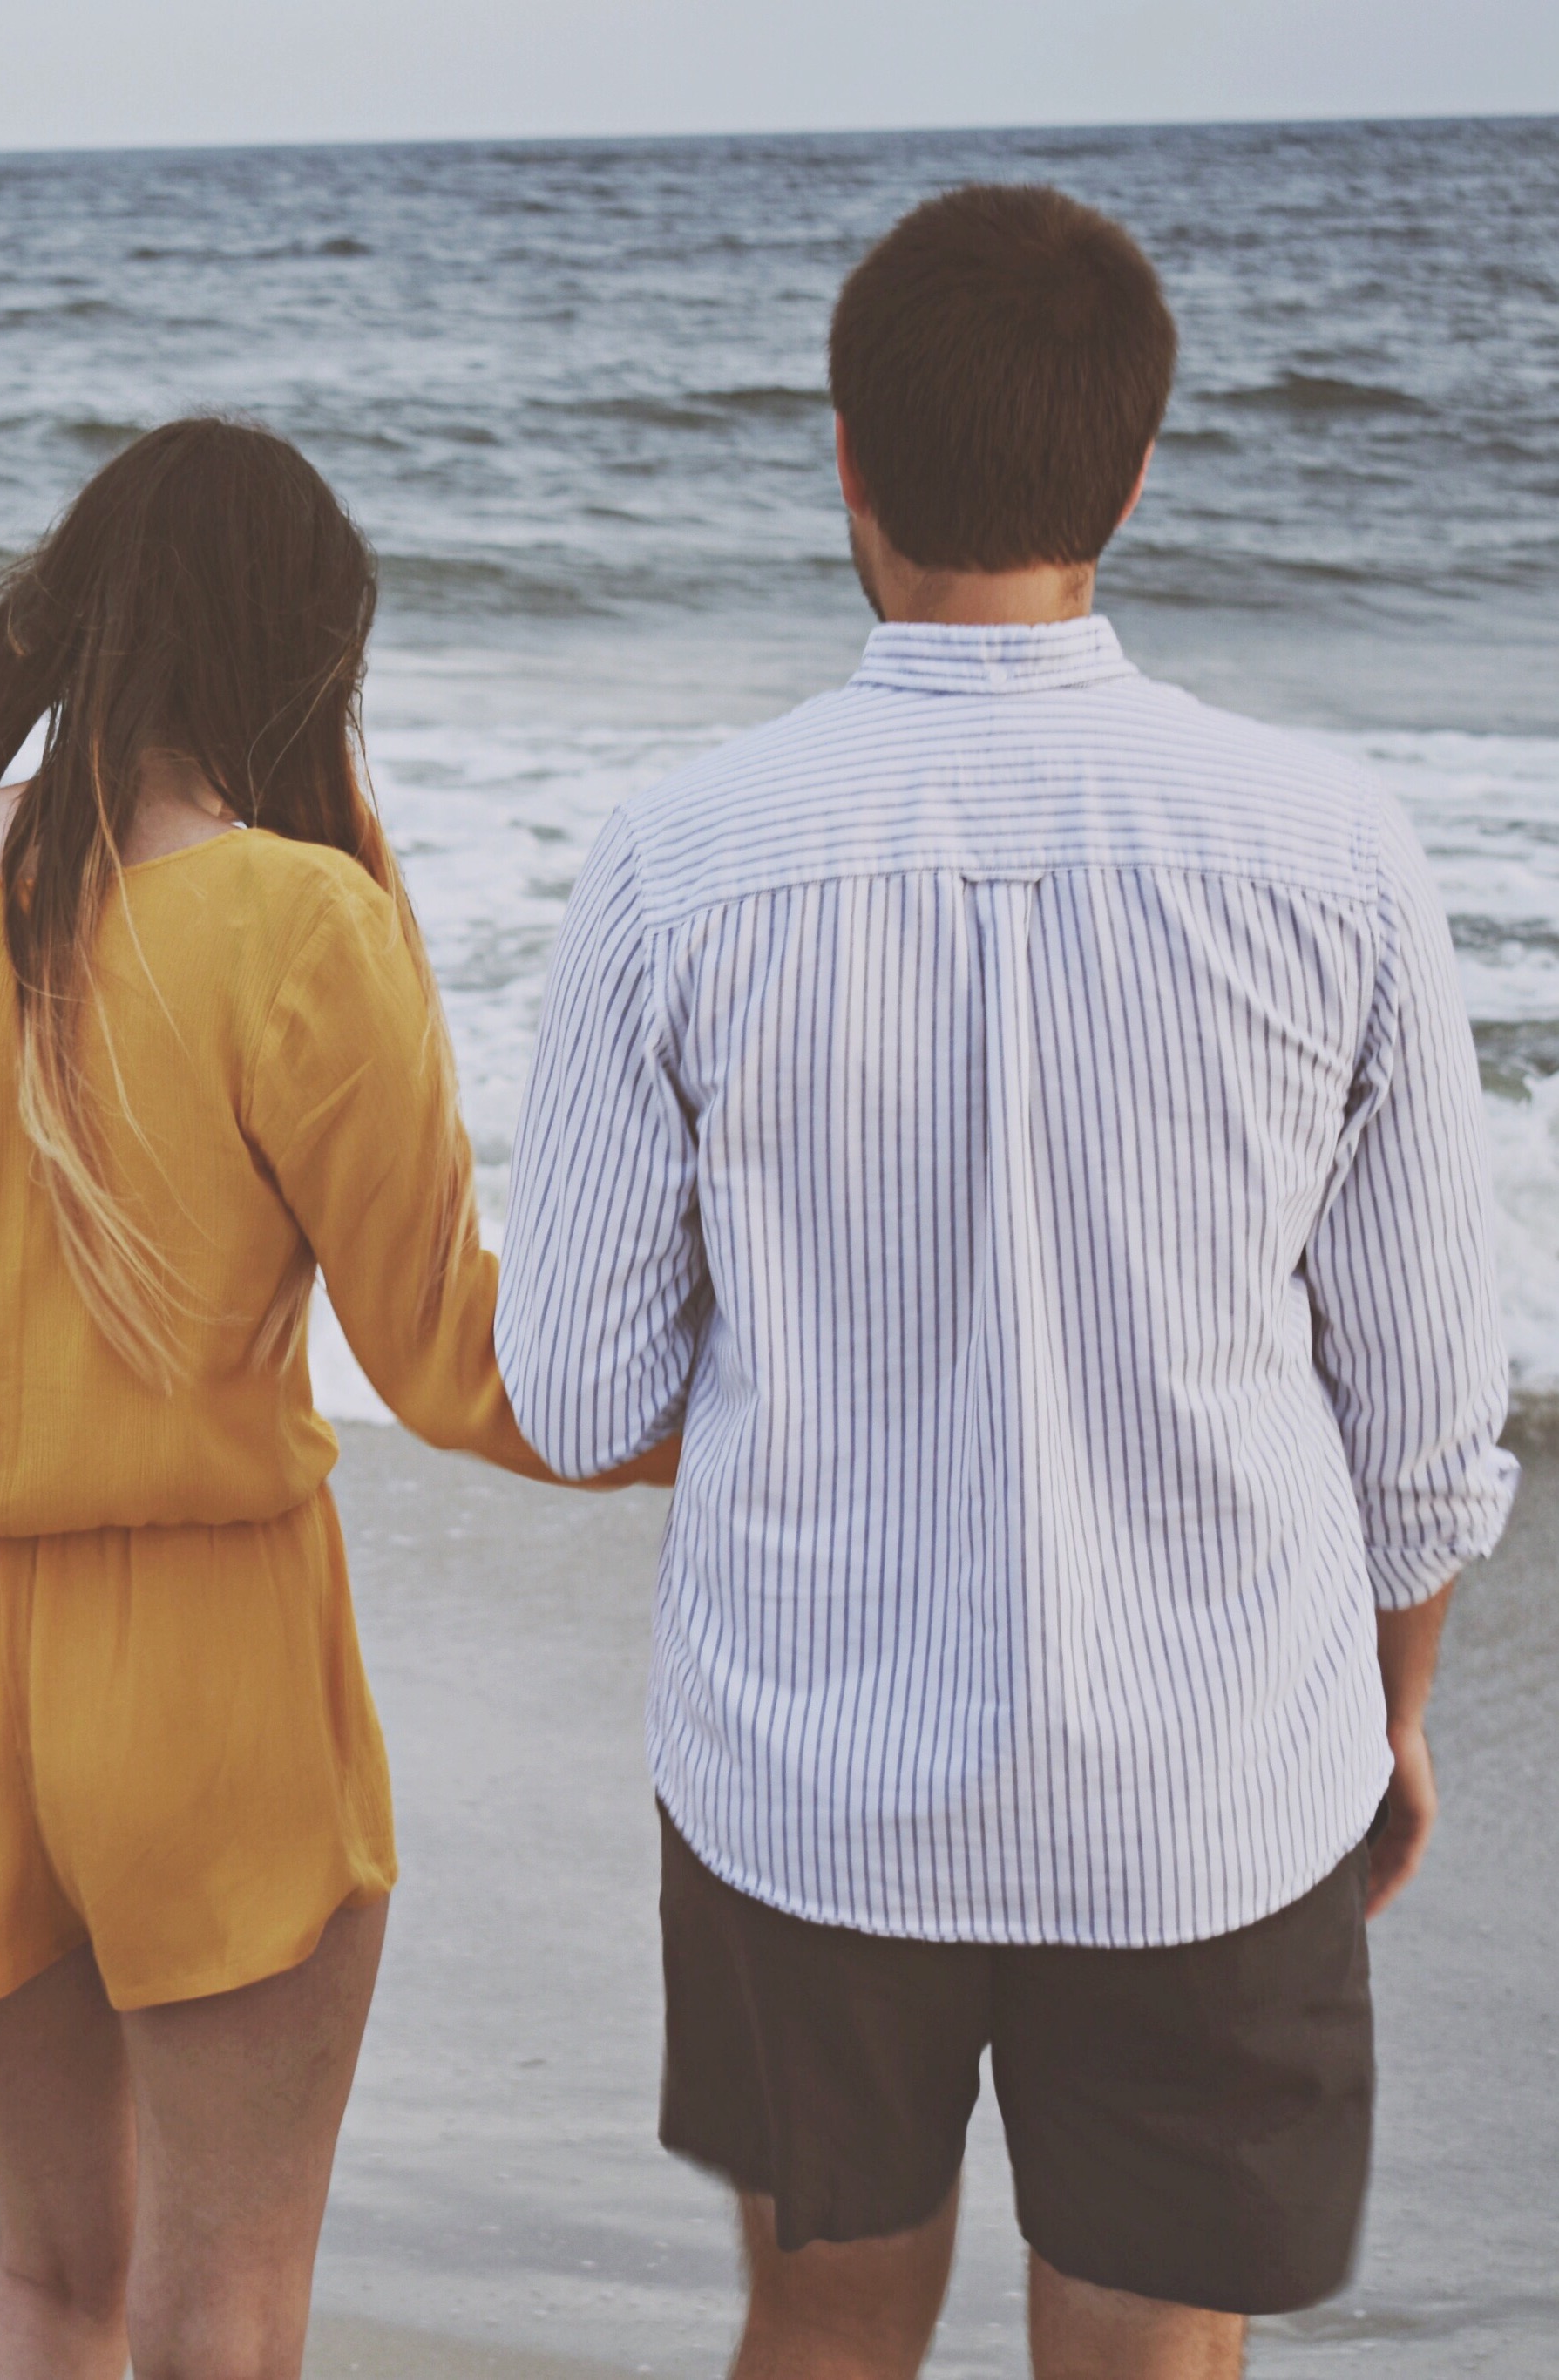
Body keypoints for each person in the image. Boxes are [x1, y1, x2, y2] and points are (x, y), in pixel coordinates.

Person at [496, 186, 1515, 2380]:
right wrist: (1393, 1717)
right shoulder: (1330, 846)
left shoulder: (683, 857)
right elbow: (1428, 1434)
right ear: (1137, 475)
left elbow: (572, 1390)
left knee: (829, 2328)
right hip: (1212, 1768)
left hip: (806, 1773)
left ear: (845, 461)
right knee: (1150, 2349)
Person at [0, 417, 665, 2380]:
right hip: (196, 1677)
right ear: (304, 657)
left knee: (52, 2277)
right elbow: (454, 1363)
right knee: (220, 2311)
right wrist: (746, 1410)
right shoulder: (296, 923)